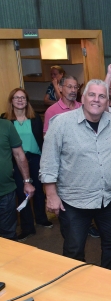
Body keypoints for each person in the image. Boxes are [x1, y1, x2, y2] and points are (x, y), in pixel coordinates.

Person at [40, 79, 111, 270]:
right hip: (73, 200)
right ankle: (75, 289)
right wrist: (51, 195)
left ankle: (107, 278)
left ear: (107, 101)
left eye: (102, 96)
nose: (96, 100)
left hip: (106, 197)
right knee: (74, 249)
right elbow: (48, 160)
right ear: (83, 97)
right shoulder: (61, 123)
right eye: (92, 95)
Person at [1, 88, 50, 241]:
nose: (20, 100)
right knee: (22, 193)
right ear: (11, 101)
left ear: (27, 101)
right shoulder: (5, 120)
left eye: (23, 97)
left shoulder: (34, 118)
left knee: (39, 192)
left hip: (35, 158)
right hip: (16, 161)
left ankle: (41, 219)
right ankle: (28, 227)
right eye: (16, 97)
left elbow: (41, 141)